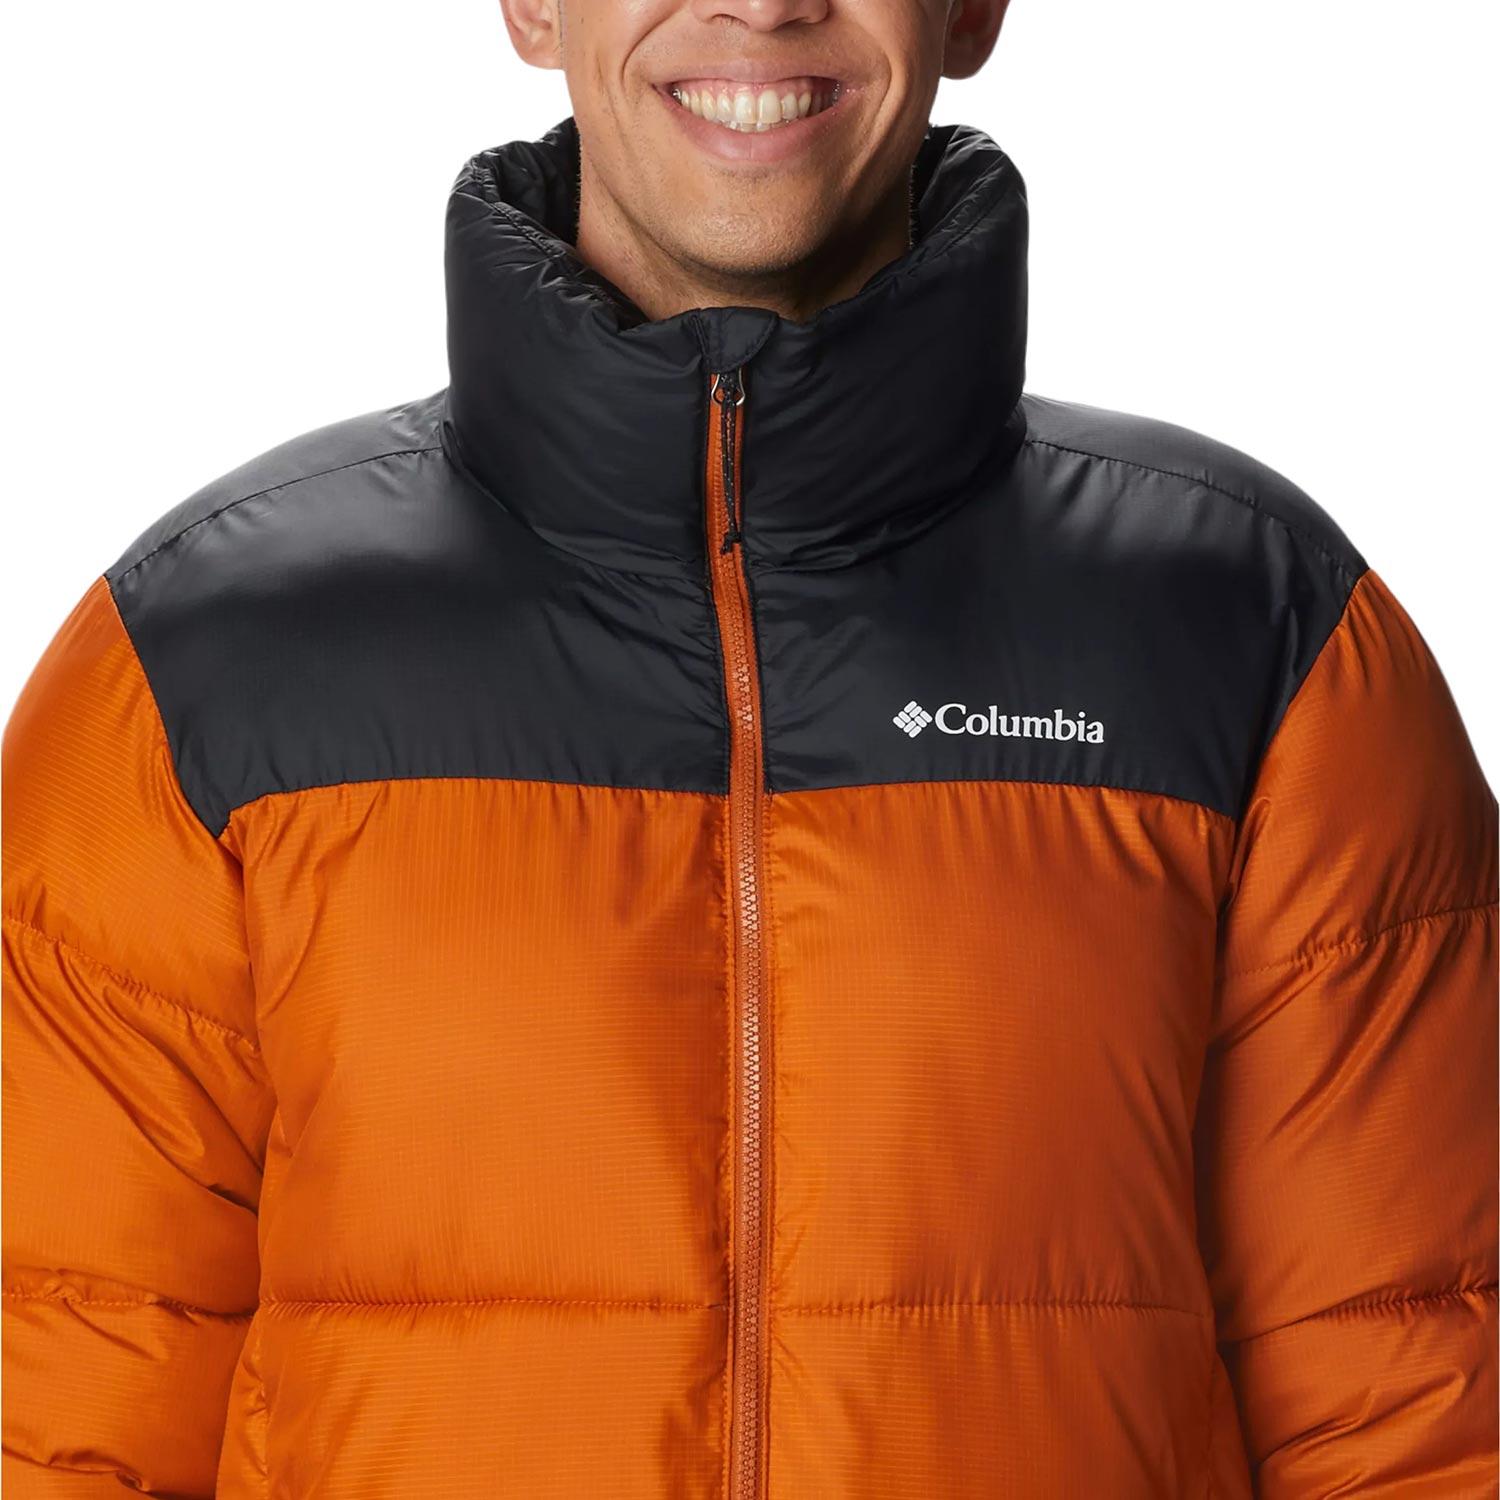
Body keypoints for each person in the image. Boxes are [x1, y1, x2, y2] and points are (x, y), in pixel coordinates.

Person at [2, 0, 1495, 1490]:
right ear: (532, 7)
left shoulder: (1260, 640)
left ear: (972, 9)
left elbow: (1421, 1423)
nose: (764, 5)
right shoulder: (200, 670)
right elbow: (54, 1415)